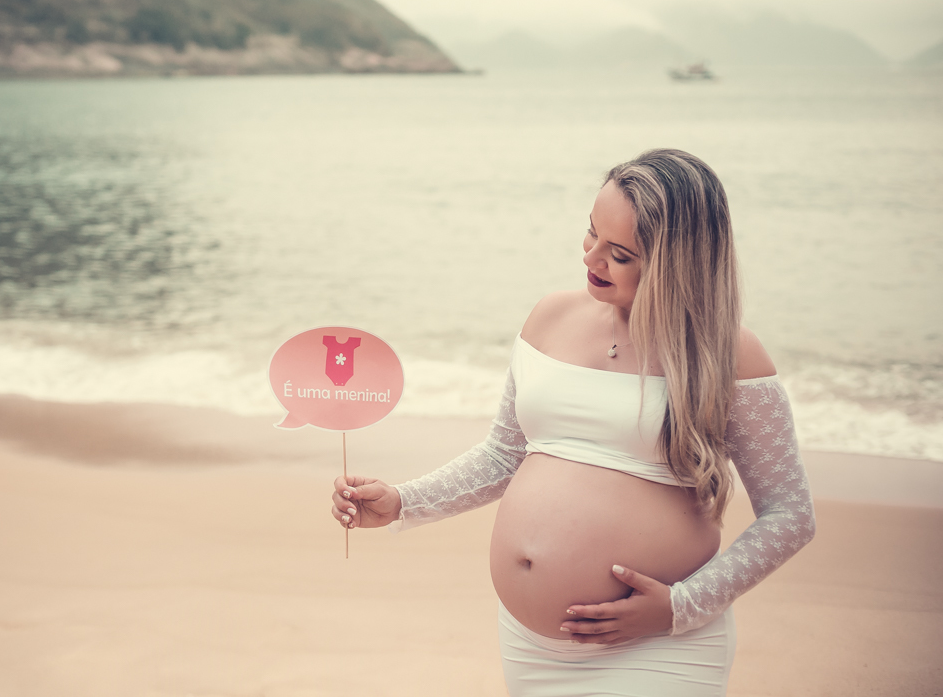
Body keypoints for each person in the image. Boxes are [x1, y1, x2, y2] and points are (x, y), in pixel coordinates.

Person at [330, 149, 816, 696]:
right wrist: (403, 501)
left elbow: (790, 514)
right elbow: (503, 456)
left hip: (659, 647)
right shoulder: (550, 317)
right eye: (591, 233)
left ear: (676, 264)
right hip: (530, 648)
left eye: (620, 254)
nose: (591, 257)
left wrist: (683, 606)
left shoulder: (729, 355)